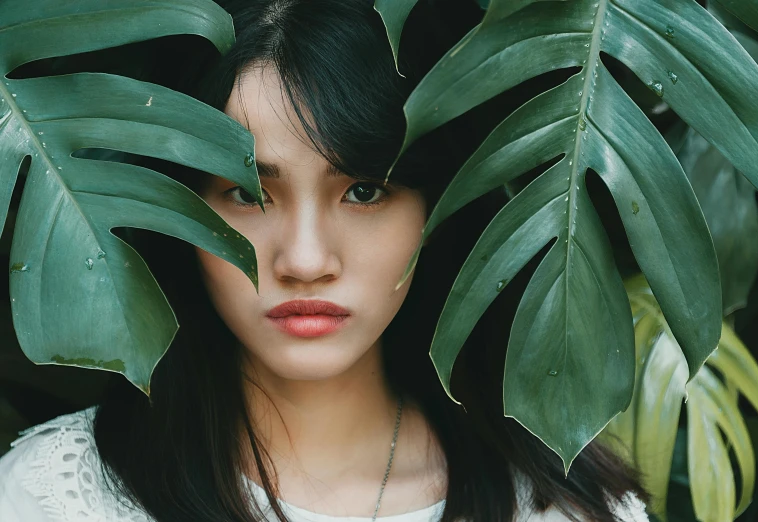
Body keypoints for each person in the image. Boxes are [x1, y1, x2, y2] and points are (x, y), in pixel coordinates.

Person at [0, 0, 650, 520]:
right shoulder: (54, 501)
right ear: (178, 207)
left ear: (435, 207)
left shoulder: (560, 510)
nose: (305, 260)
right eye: (249, 193)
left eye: (363, 191)